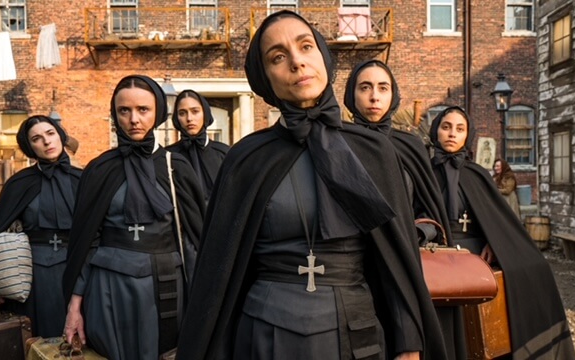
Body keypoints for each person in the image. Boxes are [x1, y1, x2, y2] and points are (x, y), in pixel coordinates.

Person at [176, 11, 446, 360]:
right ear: (264, 79)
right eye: (278, 56)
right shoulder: (248, 159)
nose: (297, 62)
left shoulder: (373, 150)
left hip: (357, 331)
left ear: (323, 56)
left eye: (305, 47)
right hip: (264, 334)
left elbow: (396, 260)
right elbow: (219, 273)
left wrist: (409, 343)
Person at [62, 75, 205, 359]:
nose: (133, 119)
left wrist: (202, 301)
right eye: (124, 111)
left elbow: (194, 239)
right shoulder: (99, 170)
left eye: (143, 110)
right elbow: (86, 242)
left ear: (158, 112)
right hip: (108, 287)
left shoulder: (177, 167)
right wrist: (74, 305)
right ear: (114, 114)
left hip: (167, 284)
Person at [429, 106, 575, 359]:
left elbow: (496, 220)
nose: (452, 133)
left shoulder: (477, 175)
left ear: (468, 135)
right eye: (446, 127)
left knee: (532, 273)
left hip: (477, 259)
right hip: (438, 260)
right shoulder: (423, 172)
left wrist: (495, 244)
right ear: (436, 130)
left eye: (460, 129)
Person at [344, 59, 466, 359]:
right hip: (352, 265)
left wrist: (415, 233)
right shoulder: (337, 143)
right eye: (365, 87)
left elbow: (428, 208)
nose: (374, 96)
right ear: (351, 95)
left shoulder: (409, 146)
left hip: (402, 261)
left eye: (382, 88)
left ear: (393, 95)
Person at [0, 115, 82, 359]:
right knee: (36, 341)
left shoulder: (85, 179)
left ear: (59, 134)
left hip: (78, 268)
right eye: (37, 138)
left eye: (50, 133)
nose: (46, 141)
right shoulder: (20, 183)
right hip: (34, 275)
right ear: (30, 147)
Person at [165, 89, 229, 201]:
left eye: (195, 111)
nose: (189, 118)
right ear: (176, 118)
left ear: (205, 113)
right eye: (182, 113)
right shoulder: (167, 156)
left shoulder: (224, 153)